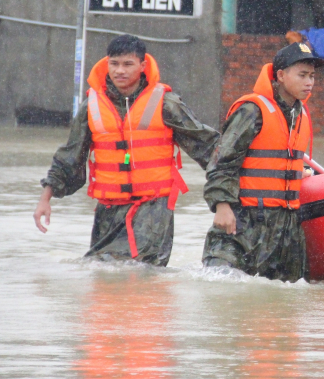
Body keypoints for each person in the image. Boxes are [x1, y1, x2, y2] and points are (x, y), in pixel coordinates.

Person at [33, 35, 219, 265]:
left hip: (153, 209)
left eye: (128, 64)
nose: (120, 70)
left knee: (141, 271)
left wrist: (228, 196)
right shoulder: (91, 106)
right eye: (115, 64)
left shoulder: (166, 103)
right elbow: (69, 157)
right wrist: (45, 199)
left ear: (142, 66)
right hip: (109, 209)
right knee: (101, 272)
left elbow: (208, 146)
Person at [201, 42, 324, 281]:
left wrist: (295, 173)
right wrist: (222, 205)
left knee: (281, 306)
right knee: (223, 289)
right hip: (245, 220)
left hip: (286, 227)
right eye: (302, 75)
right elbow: (222, 161)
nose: (309, 82)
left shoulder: (299, 115)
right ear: (280, 75)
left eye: (312, 76)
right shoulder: (252, 111)